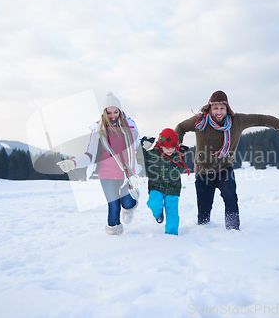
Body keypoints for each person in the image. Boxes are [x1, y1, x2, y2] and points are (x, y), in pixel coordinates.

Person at [175, 90, 279, 230]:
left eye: (222, 108)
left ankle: (233, 230)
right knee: (204, 213)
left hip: (224, 168)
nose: (219, 112)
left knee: (231, 198)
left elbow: (261, 119)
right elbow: (180, 127)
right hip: (202, 171)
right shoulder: (199, 121)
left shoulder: (237, 121)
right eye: (215, 108)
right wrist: (177, 143)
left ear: (227, 108)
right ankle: (204, 233)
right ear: (209, 108)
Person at [57, 92, 142, 235]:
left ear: (120, 111)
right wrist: (73, 163)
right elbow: (89, 155)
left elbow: (138, 148)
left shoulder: (130, 128)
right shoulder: (98, 131)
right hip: (107, 175)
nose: (113, 116)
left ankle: (128, 209)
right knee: (113, 206)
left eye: (116, 112)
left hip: (126, 174)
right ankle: (114, 235)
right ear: (104, 112)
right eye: (109, 112)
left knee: (127, 202)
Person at [141, 129, 190, 236]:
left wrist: (182, 152)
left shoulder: (177, 154)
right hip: (156, 186)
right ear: (161, 144)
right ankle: (158, 214)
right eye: (167, 148)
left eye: (173, 147)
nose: (170, 150)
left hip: (173, 188)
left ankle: (171, 235)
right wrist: (144, 145)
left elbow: (182, 164)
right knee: (154, 203)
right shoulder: (153, 153)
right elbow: (140, 158)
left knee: (172, 214)